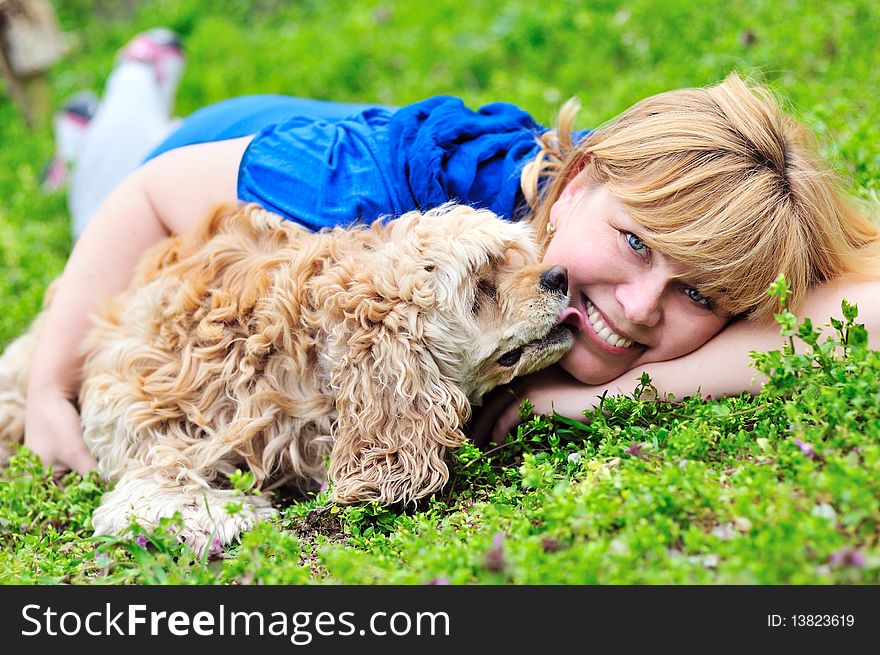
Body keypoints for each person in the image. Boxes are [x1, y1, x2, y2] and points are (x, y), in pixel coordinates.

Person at [23, 30, 880, 474]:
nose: (642, 305)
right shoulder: (383, 191)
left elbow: (865, 317)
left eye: (698, 295)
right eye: (634, 242)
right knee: (105, 182)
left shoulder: (675, 255)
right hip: (217, 161)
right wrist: (42, 382)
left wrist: (590, 403)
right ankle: (121, 99)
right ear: (575, 180)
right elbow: (153, 195)